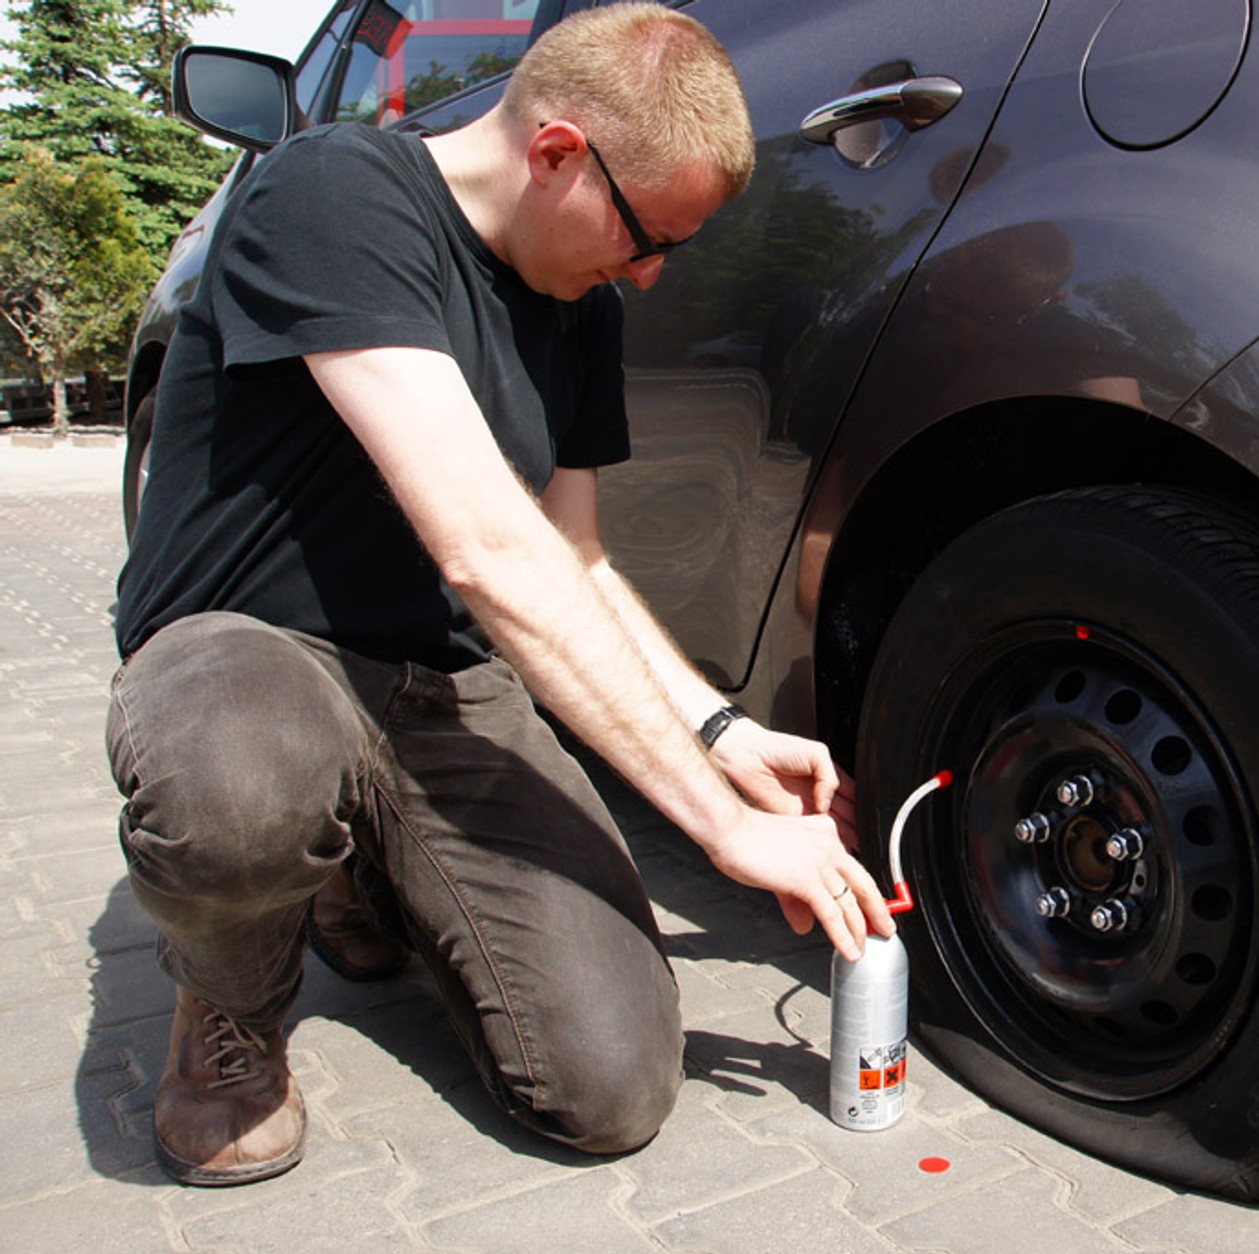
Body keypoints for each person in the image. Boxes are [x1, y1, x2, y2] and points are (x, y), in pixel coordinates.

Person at [106, 3, 893, 1188]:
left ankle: (366, 865)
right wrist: (722, 831)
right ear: (558, 153)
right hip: (251, 653)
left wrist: (720, 733)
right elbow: (483, 544)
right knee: (239, 787)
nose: (650, 270)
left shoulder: (576, 307)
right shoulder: (336, 195)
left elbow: (570, 560)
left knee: (611, 1086)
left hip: (438, 684)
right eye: (644, 238)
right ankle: (229, 1004)